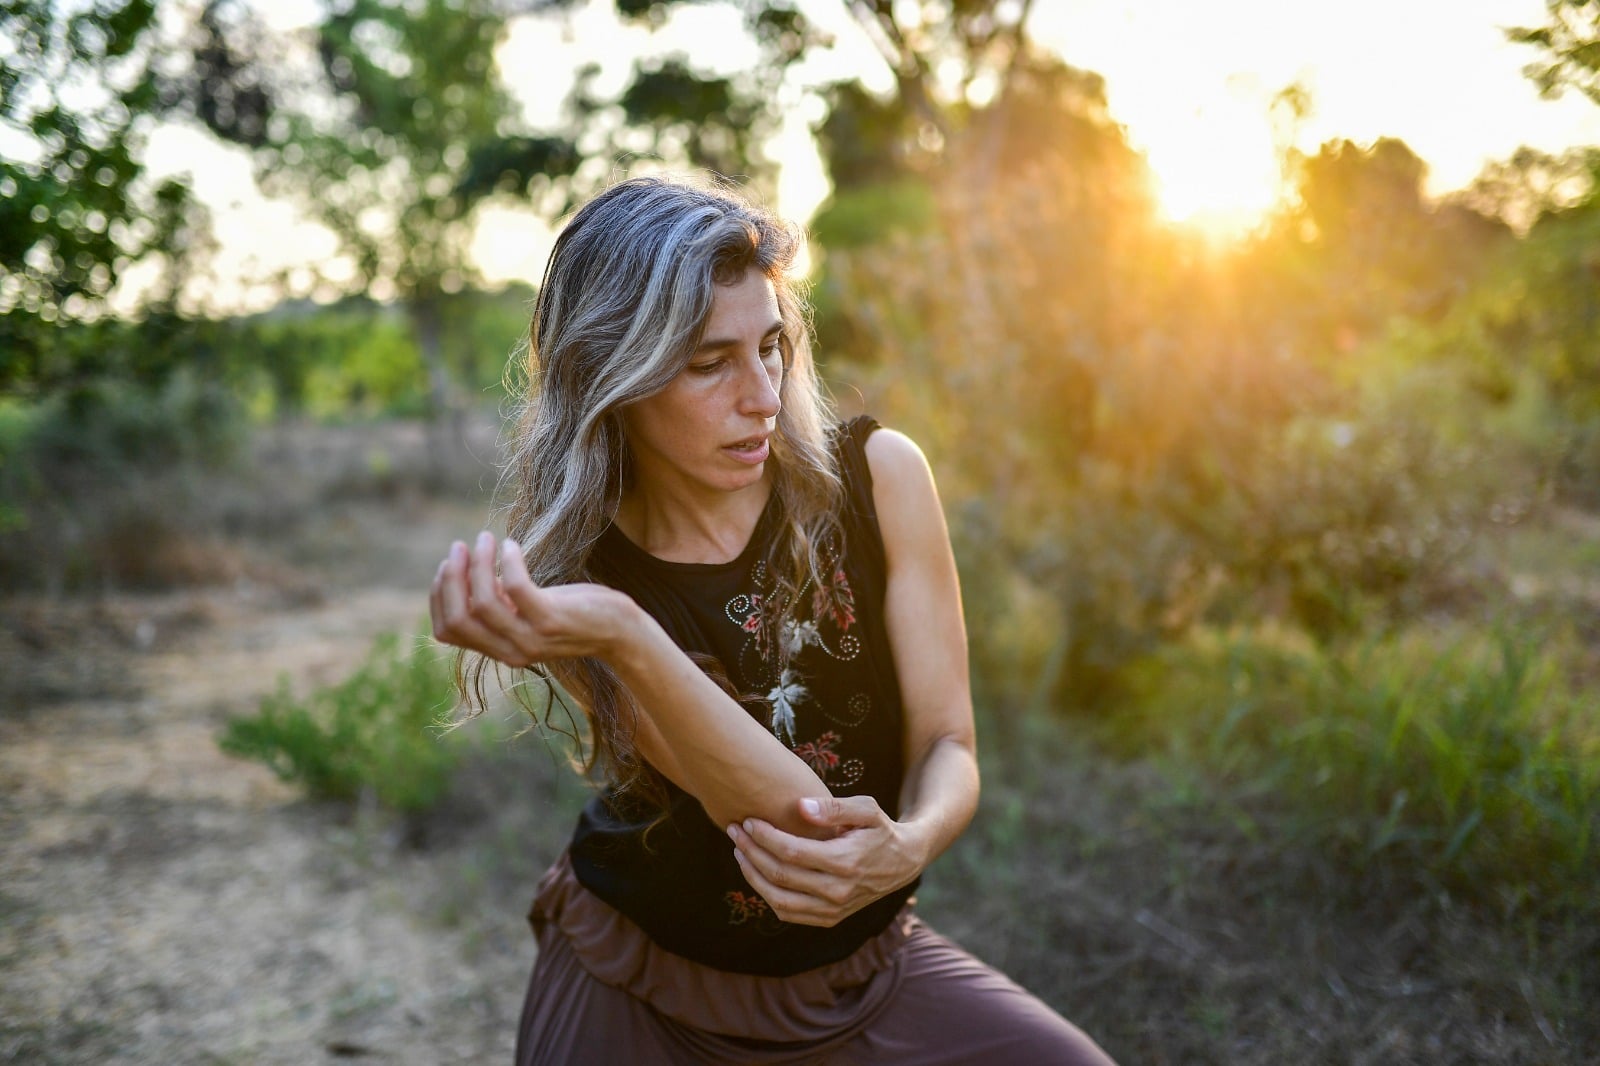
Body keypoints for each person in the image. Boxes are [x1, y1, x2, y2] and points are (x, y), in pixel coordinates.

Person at [429, 175, 1115, 1065]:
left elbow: (949, 742)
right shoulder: (584, 580)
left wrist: (907, 848)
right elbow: (794, 816)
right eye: (710, 364)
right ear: (614, 378)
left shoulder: (880, 478)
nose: (759, 394)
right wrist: (620, 632)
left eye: (772, 346)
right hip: (645, 993)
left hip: (864, 976)